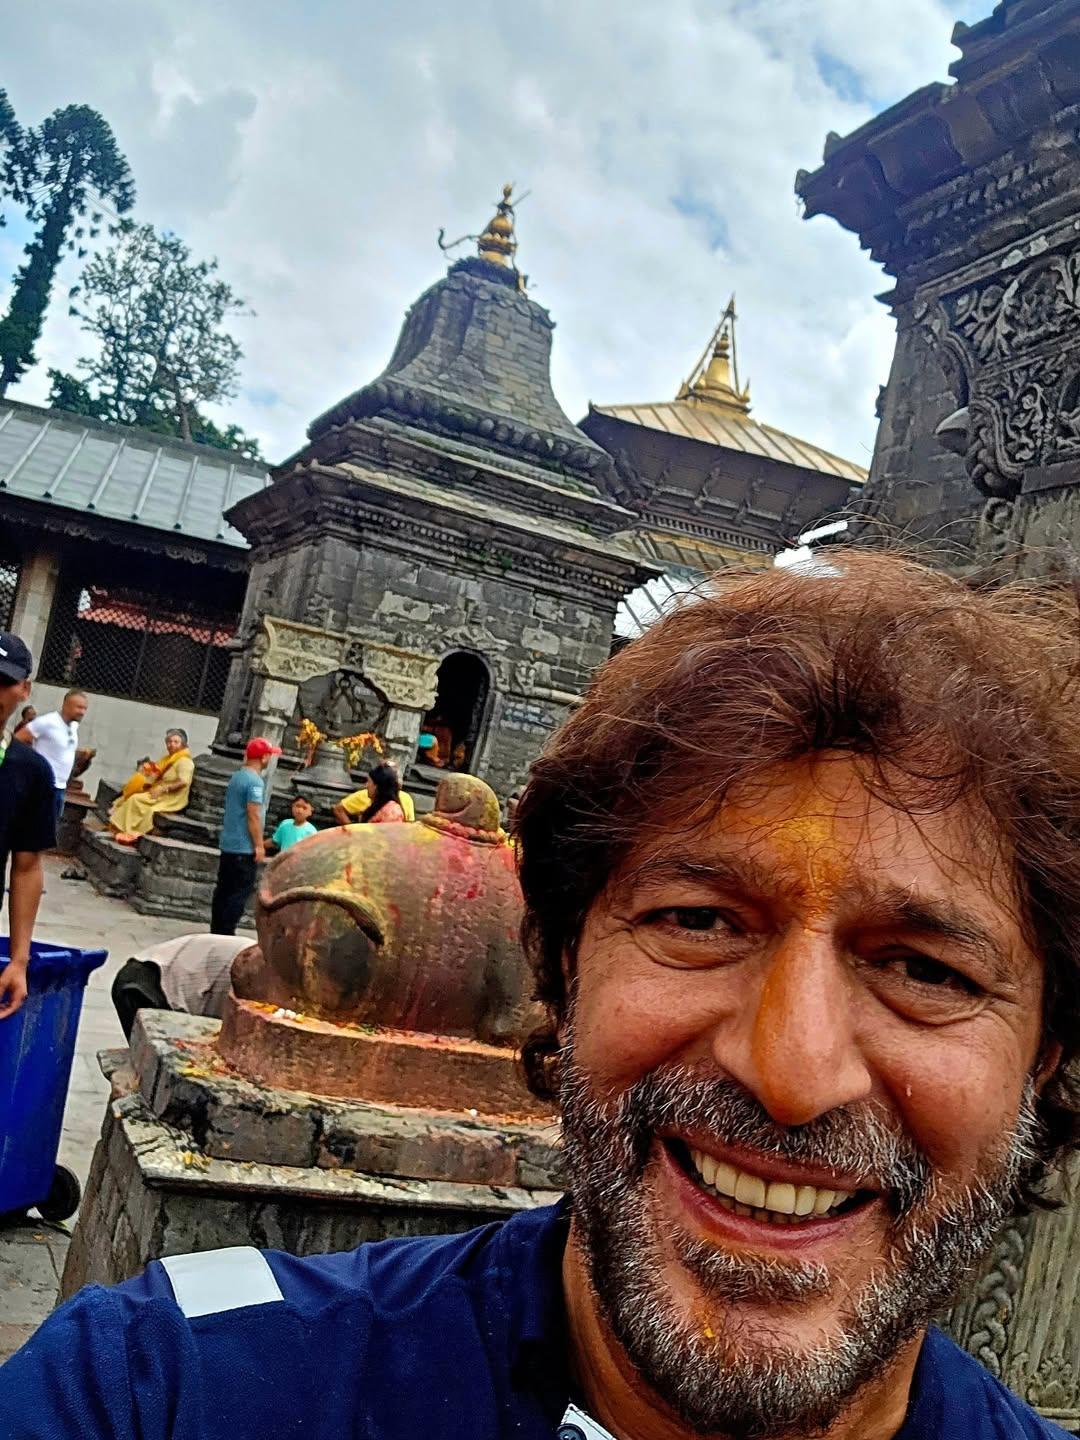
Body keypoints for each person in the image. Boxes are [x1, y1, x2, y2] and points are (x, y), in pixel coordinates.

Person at [3, 551, 1080, 1440]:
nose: (792, 1072)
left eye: (926, 971)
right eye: (696, 923)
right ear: (561, 973)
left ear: (1042, 1056)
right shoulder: (167, 1394)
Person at [0, 632, 57, 1020]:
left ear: (24, 689)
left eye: (4, 682)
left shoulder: (31, 772)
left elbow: (26, 867)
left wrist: (19, 960)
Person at [110, 933, 253, 1040]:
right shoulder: (253, 972)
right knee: (158, 1059)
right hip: (148, 982)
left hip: (165, 974)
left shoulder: (261, 959)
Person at [209, 738, 280, 936]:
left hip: (229, 844)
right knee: (238, 893)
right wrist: (259, 845)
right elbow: (253, 814)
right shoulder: (255, 782)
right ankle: (226, 931)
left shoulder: (237, 777)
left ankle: (217, 929)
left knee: (223, 889)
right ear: (264, 757)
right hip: (243, 847)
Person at [15, 688, 88, 820]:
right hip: (43, 787)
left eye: (85, 708)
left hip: (60, 788)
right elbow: (17, 740)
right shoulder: (47, 722)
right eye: (79, 707)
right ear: (66, 705)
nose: (82, 712)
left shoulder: (73, 726)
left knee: (49, 831)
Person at [107, 728, 194, 838]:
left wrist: (164, 788)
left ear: (183, 744)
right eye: (169, 742)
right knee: (133, 794)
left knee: (136, 800)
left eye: (175, 742)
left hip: (171, 797)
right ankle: (120, 827)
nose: (171, 745)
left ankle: (130, 830)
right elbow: (156, 772)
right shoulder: (169, 758)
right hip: (160, 791)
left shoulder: (185, 761)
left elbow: (183, 781)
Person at [333, 760, 415, 824]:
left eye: (369, 782)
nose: (366, 786)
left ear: (376, 786)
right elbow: (338, 809)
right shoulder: (376, 802)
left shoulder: (392, 812)